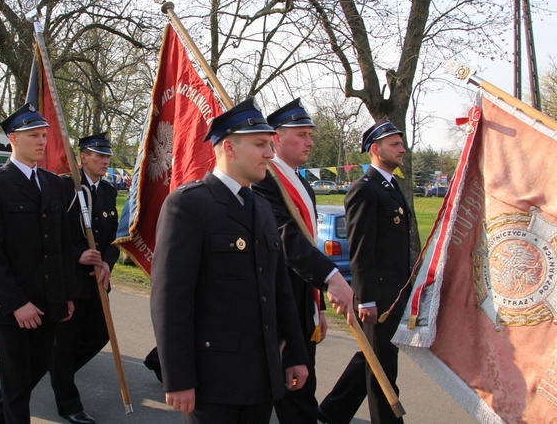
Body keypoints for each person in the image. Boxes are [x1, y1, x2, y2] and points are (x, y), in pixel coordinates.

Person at [150, 99, 309, 424]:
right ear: (228, 148)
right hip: (213, 381)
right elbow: (170, 300)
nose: (269, 153)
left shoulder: (261, 208)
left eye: (270, 144)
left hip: (262, 377)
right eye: (260, 144)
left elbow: (280, 290)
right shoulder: (188, 205)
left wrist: (295, 353)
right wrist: (178, 378)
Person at [252, 99, 354, 424]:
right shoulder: (265, 180)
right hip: (277, 306)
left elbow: (310, 245)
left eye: (310, 134)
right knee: (294, 400)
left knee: (299, 392)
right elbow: (286, 240)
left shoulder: (302, 183)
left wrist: (317, 307)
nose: (310, 141)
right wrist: (332, 277)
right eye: (302, 134)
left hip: (301, 306)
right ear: (276, 138)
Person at [0, 103, 76, 423]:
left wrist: (66, 293)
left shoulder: (53, 183)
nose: (42, 142)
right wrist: (17, 304)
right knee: (17, 387)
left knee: (31, 376)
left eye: (44, 135)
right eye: (34, 136)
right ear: (13, 139)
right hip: (12, 307)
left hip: (48, 299)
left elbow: (61, 245)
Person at [318, 117, 412, 424]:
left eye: (401, 143)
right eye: (395, 144)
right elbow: (360, 249)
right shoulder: (365, 189)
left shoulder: (392, 186)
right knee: (382, 367)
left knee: (373, 358)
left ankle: (332, 413)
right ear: (376, 149)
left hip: (395, 291)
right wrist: (366, 298)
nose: (402, 149)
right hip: (379, 294)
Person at [49, 133, 118, 424]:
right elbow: (52, 234)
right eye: (97, 155)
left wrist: (108, 265)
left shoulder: (109, 191)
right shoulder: (66, 187)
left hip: (96, 279)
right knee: (66, 341)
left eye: (106, 156)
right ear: (83, 157)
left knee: (100, 334)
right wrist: (78, 254)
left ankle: (57, 371)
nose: (104, 161)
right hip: (69, 277)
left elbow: (113, 238)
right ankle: (68, 402)